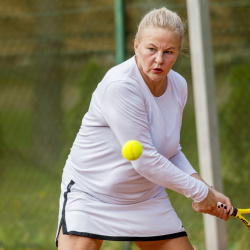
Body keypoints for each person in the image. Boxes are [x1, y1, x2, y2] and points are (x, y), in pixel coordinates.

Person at [56, 7, 232, 250]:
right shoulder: (121, 86)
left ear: (178, 53)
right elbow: (146, 160)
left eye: (168, 52)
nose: (159, 59)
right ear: (136, 45)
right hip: (92, 195)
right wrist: (200, 194)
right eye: (151, 49)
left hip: (146, 199)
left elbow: (171, 151)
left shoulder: (178, 86)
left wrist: (206, 190)